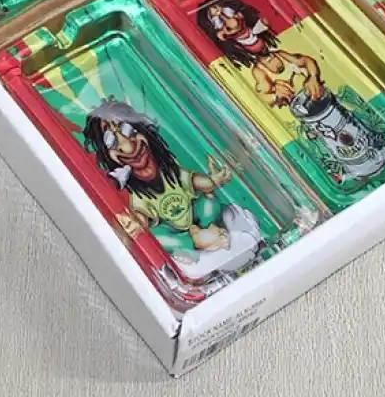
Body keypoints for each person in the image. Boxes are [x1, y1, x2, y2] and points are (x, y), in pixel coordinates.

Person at [197, 0, 385, 182]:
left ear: (240, 14)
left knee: (349, 117)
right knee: (325, 140)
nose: (228, 20)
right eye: (219, 21)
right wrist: (275, 95)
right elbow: (260, 97)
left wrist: (313, 77)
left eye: (229, 12)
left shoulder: (280, 54)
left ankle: (375, 142)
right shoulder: (259, 72)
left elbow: (306, 61)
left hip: (324, 101)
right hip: (307, 116)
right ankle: (342, 169)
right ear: (221, 34)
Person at [83, 99, 262, 281]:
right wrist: (126, 228)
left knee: (209, 202)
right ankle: (197, 240)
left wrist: (214, 180)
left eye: (129, 130)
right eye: (111, 142)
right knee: (160, 237)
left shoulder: (172, 172)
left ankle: (207, 231)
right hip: (177, 234)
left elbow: (197, 182)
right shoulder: (138, 196)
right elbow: (140, 218)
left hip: (197, 216)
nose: (128, 147)